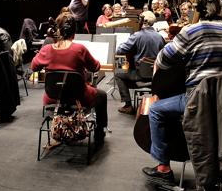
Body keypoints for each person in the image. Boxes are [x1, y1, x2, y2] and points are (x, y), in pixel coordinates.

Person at [142, 0, 222, 184]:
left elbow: (163, 60)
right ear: (220, 9)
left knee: (156, 110)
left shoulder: (192, 31)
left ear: (198, 9)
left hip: (201, 100)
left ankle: (163, 168)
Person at [31, 12, 108, 146]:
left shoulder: (47, 49)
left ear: (58, 29)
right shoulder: (80, 49)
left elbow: (34, 67)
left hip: (53, 97)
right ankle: (99, 133)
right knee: (102, 95)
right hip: (79, 96)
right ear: (74, 30)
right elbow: (96, 67)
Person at [114, 11, 165, 114]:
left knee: (118, 72)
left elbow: (120, 51)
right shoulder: (160, 37)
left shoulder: (137, 36)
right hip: (156, 75)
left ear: (142, 21)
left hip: (139, 75)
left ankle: (128, 104)